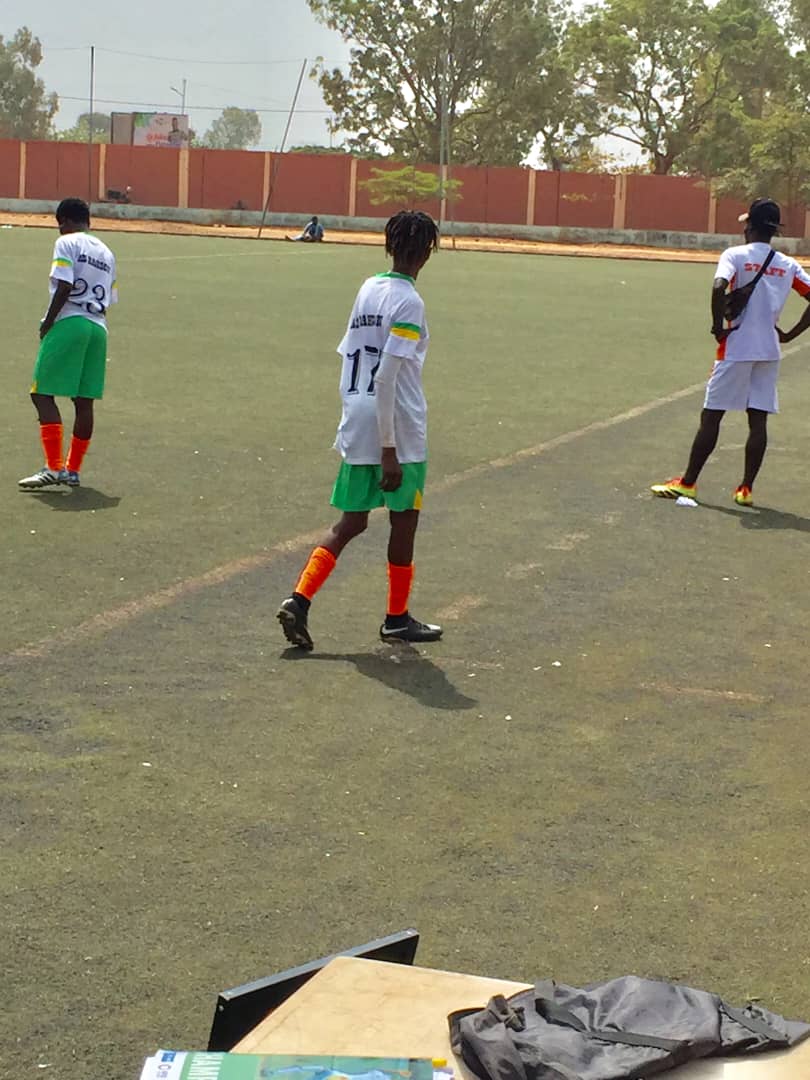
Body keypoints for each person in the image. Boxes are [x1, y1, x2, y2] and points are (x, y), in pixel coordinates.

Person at [278, 209, 442, 650]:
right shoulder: (410, 302)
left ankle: (299, 599)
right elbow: (387, 377)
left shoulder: (368, 288)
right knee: (404, 521)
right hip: (397, 428)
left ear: (389, 247)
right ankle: (396, 618)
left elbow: (350, 352)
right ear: (427, 253)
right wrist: (389, 449)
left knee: (351, 522)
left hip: (357, 415)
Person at [651, 197, 810, 507]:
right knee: (758, 420)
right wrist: (791, 334)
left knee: (712, 415)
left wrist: (717, 327)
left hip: (736, 347)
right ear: (774, 230)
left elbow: (718, 287)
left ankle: (688, 484)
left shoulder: (734, 255)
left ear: (749, 226)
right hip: (768, 351)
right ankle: (746, 489)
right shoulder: (787, 264)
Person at [18, 197, 118, 490]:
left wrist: (48, 321)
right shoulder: (107, 252)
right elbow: (109, 298)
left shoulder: (66, 242)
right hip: (98, 328)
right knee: (84, 401)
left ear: (64, 221)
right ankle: (72, 470)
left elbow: (65, 283)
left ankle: (53, 467)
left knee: (41, 393)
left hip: (69, 321)